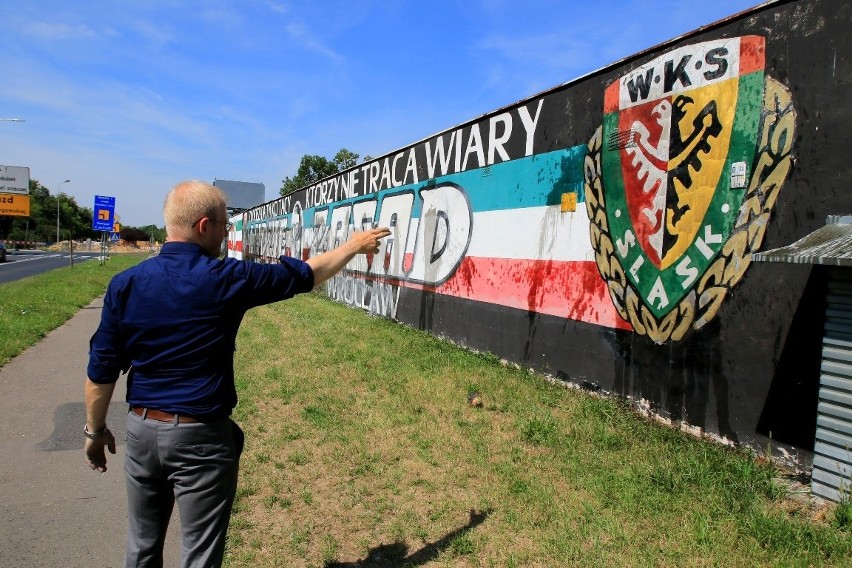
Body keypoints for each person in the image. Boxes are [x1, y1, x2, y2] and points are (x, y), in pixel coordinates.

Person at [84, 180, 390, 567]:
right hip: (201, 439)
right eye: (225, 224)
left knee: (141, 547)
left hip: (141, 433)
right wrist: (353, 246)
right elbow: (305, 276)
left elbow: (101, 371)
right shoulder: (226, 278)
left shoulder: (125, 284)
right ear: (203, 227)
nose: (228, 232)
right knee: (200, 555)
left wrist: (94, 433)